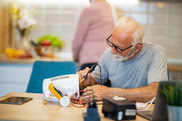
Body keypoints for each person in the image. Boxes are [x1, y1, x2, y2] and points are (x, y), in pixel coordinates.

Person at [77, 16, 168, 102]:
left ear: (136, 48)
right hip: (115, 109)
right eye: (112, 44)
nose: (112, 51)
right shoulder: (108, 53)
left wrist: (111, 93)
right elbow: (95, 82)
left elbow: (156, 93)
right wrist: (87, 82)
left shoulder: (156, 53)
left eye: (118, 48)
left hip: (145, 112)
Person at [72, 0, 117, 70]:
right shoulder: (110, 9)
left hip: (89, 60)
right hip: (107, 61)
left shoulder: (89, 10)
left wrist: (75, 57)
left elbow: (78, 39)